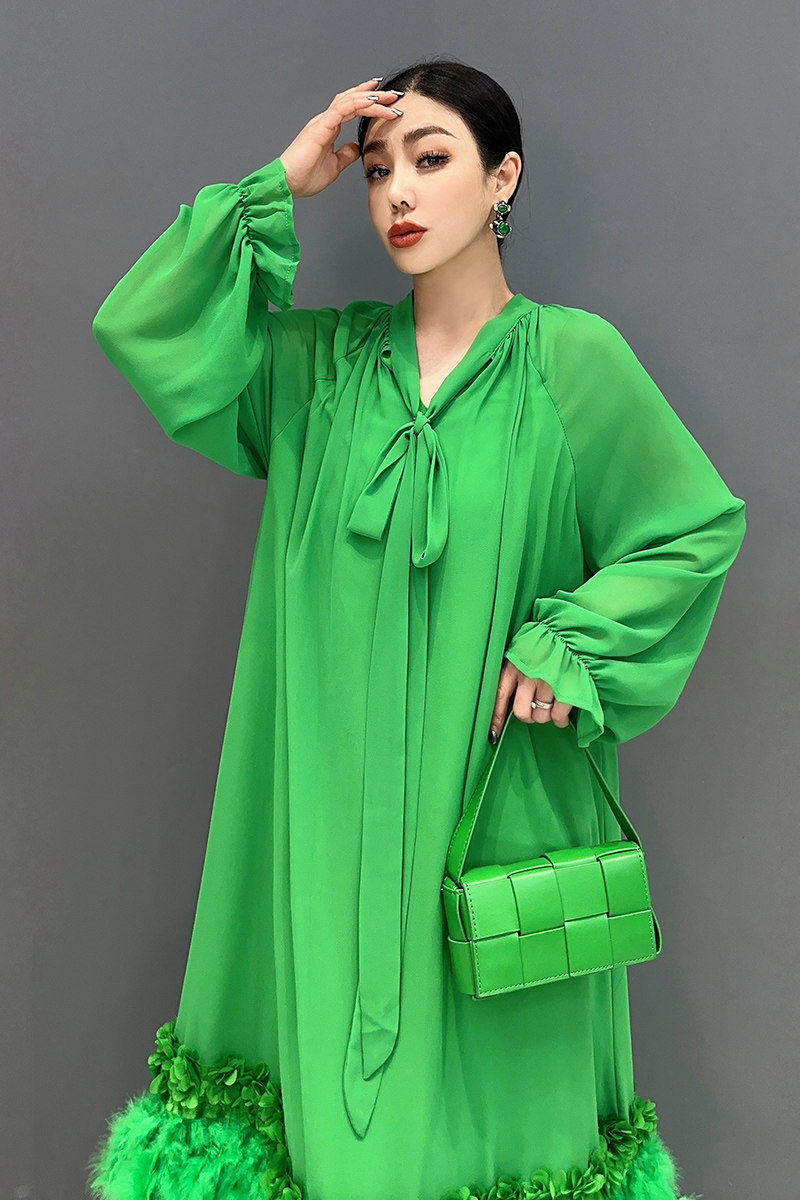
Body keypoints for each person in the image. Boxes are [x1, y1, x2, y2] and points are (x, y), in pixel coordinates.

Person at [86, 58, 745, 1200]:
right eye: (377, 169)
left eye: (431, 159)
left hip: (491, 808)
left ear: (502, 179)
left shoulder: (569, 362)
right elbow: (144, 330)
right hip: (327, 813)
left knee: (491, 1098)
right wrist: (284, 180)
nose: (397, 191)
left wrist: (569, 643)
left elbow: (691, 527)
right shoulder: (318, 371)